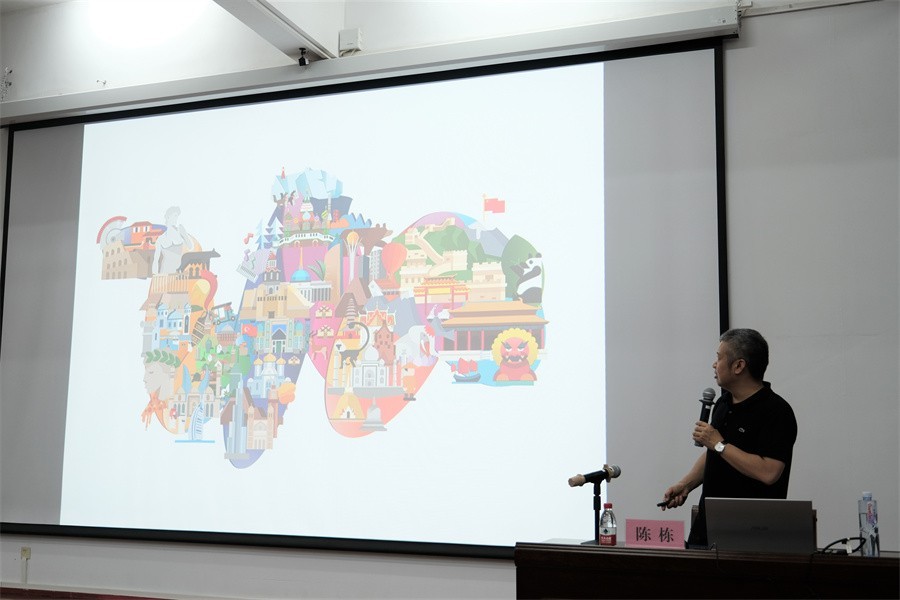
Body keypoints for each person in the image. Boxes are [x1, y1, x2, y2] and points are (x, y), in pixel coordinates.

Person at [660, 328, 798, 547]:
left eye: (719, 358)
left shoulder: (776, 411)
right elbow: (714, 452)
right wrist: (685, 484)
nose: (714, 365)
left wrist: (719, 444)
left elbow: (769, 472)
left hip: (752, 534)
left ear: (739, 366)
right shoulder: (723, 403)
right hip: (708, 526)